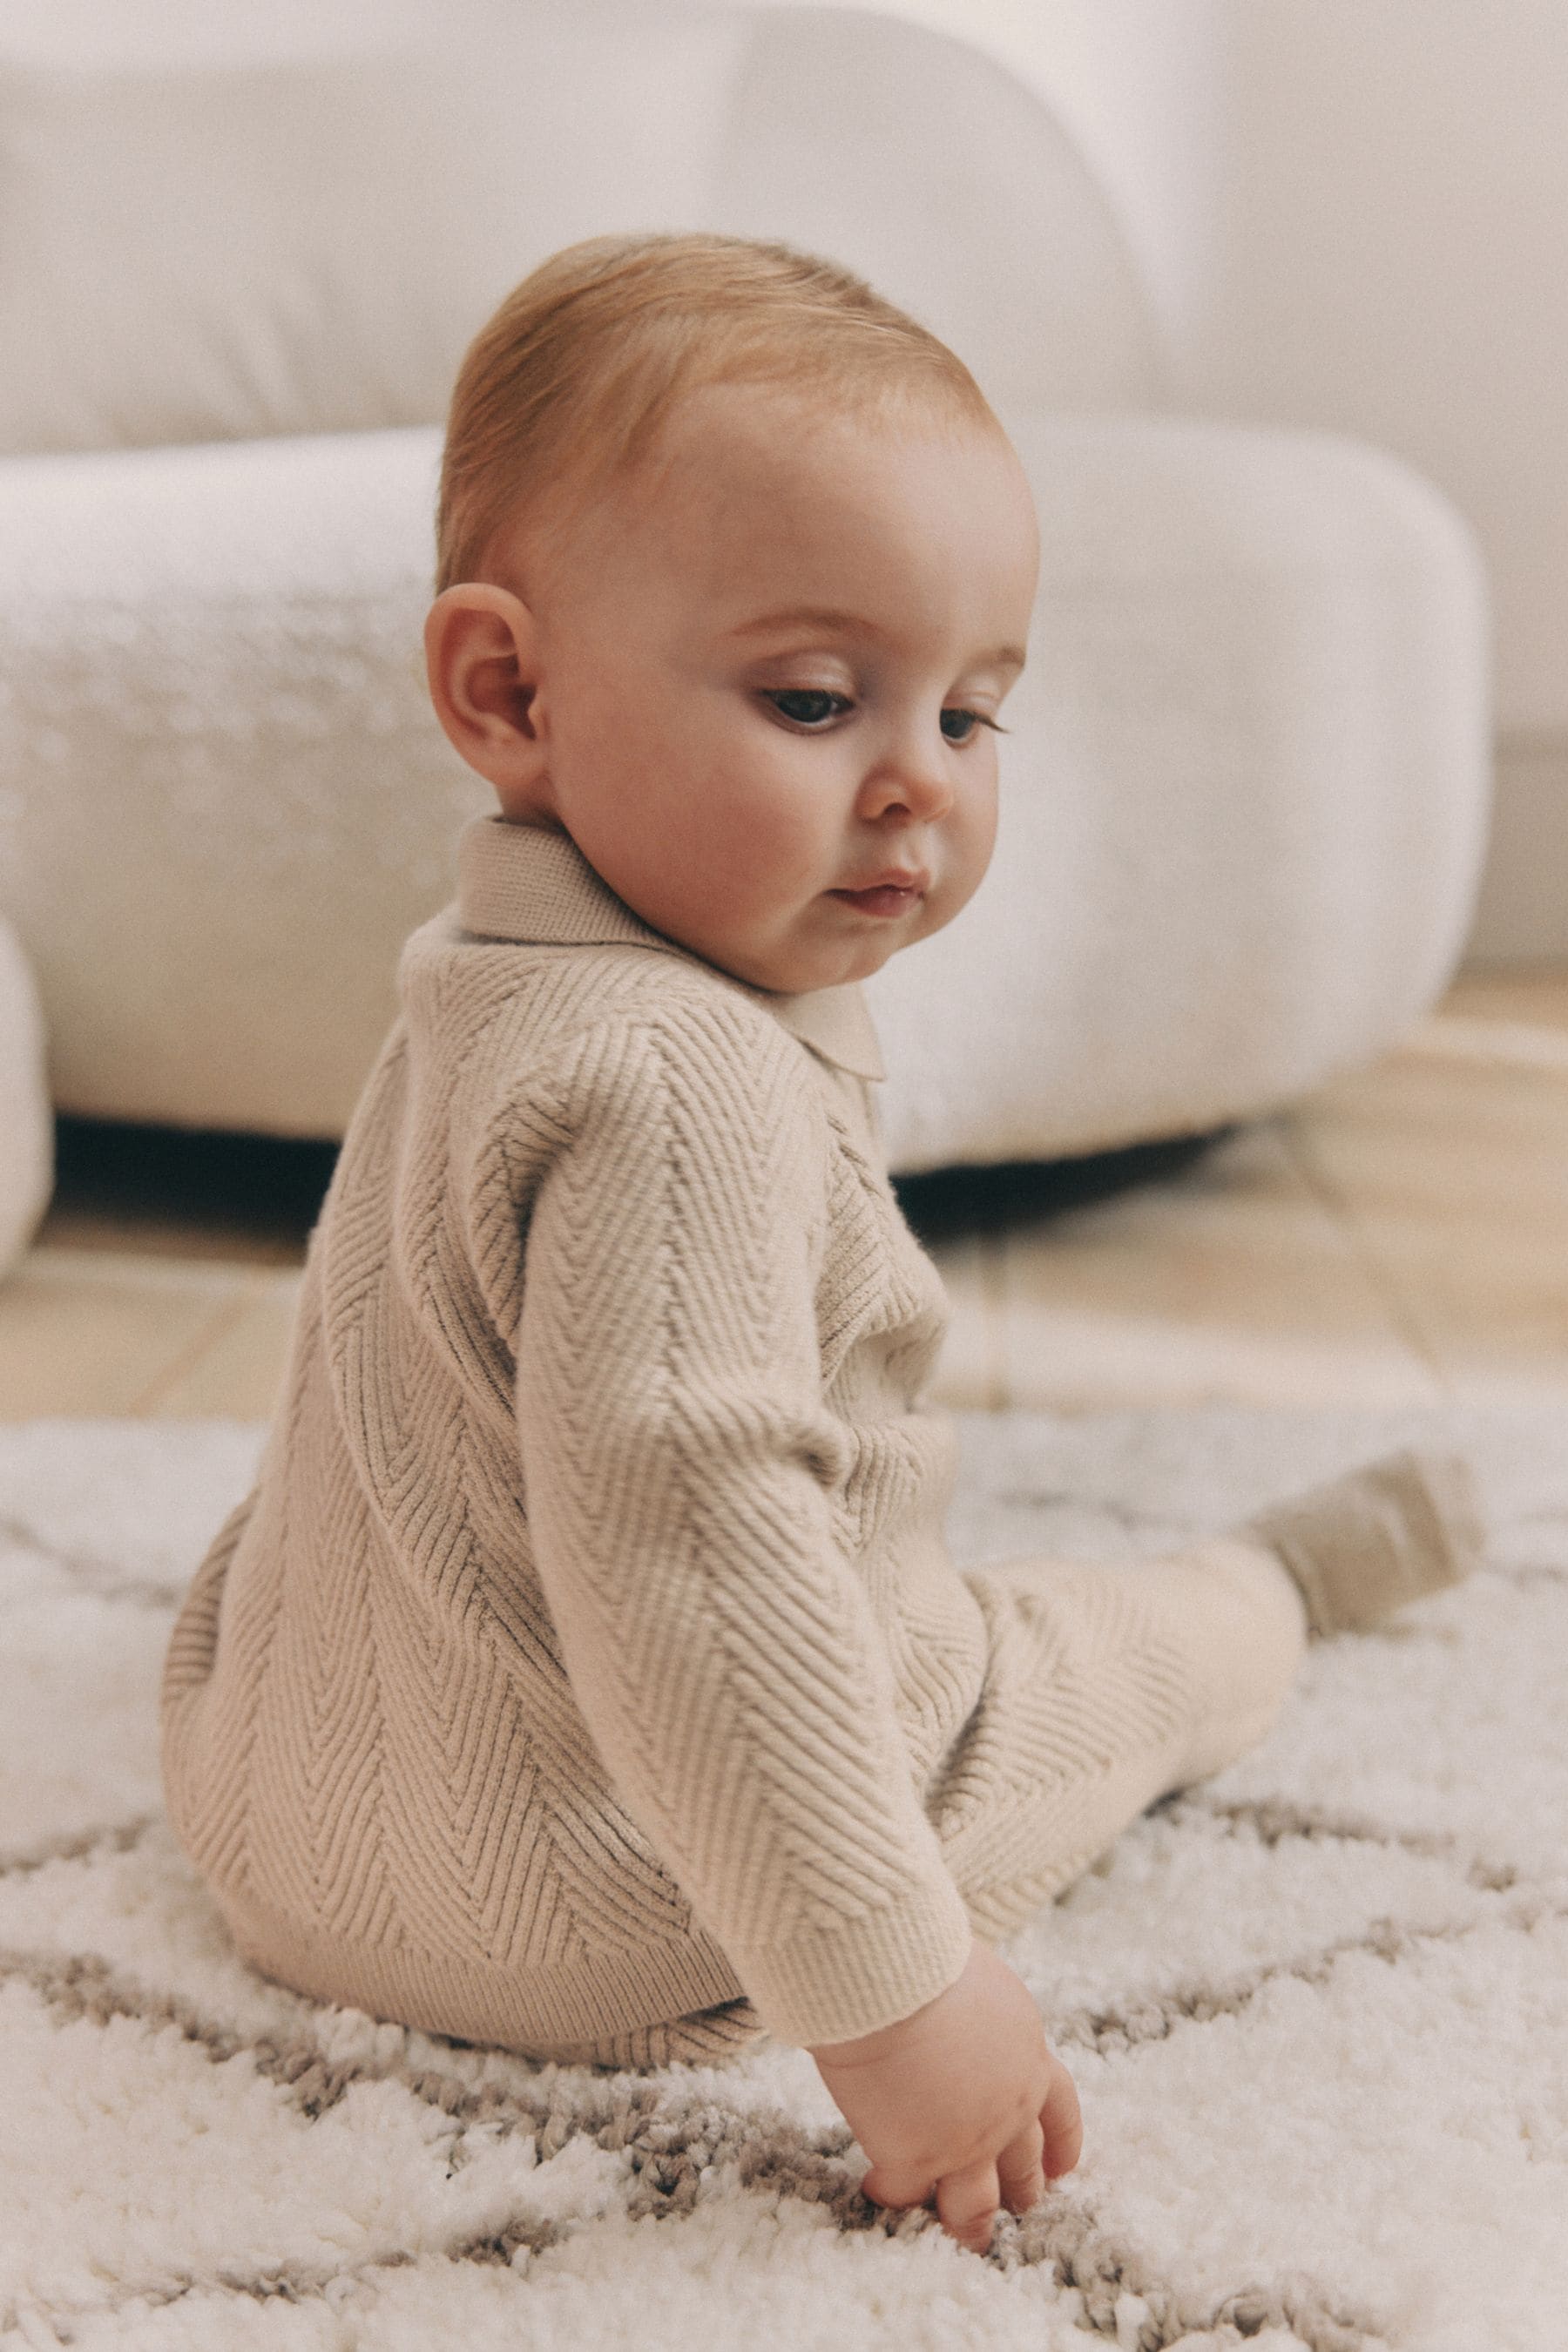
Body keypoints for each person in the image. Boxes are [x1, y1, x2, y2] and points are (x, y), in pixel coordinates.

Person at [159, 232, 1483, 2258]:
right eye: (812, 697)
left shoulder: (478, 983)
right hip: (614, 1911)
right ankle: (1281, 1584)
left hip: (281, 1839)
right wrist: (891, 1994)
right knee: (1090, 1660)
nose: (917, 792)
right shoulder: (681, 1087)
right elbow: (695, 1572)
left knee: (339, 1507)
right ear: (505, 690)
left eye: (972, 715)